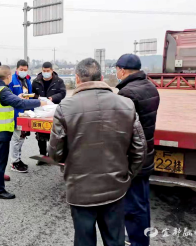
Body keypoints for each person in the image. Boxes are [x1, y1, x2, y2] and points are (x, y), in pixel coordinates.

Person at [49, 58, 147, 246]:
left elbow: (55, 154)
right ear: (101, 77)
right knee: (115, 239)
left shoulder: (65, 108)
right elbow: (139, 149)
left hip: (80, 190)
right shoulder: (126, 104)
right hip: (115, 187)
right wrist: (127, 176)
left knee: (84, 239)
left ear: (77, 78)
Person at [116, 54, 160, 246]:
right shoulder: (150, 86)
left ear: (123, 70)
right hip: (146, 153)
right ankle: (141, 237)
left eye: (116, 69)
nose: (116, 72)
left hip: (134, 157)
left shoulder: (127, 94)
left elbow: (123, 131)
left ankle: (138, 241)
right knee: (142, 202)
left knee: (133, 206)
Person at [0, 65, 46, 199]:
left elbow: (6, 101)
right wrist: (39, 102)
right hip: (1, 131)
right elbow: (20, 104)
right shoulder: (2, 90)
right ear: (8, 76)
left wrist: (17, 97)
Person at [32, 61, 66, 164]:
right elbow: (33, 94)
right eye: (44, 71)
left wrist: (53, 98)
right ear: (41, 70)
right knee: (40, 133)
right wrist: (38, 99)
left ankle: (53, 156)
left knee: (54, 133)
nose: (46, 73)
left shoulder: (59, 81)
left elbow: (62, 93)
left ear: (52, 71)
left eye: (48, 71)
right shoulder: (36, 81)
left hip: (54, 110)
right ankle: (42, 156)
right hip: (40, 110)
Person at [8, 59, 33, 173]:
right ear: (17, 69)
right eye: (21, 69)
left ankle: (18, 159)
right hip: (16, 113)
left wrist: (32, 111)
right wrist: (17, 97)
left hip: (26, 113)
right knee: (16, 138)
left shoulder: (27, 80)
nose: (23, 71)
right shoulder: (12, 80)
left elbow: (30, 97)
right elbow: (8, 96)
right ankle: (14, 162)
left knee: (22, 137)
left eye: (25, 70)